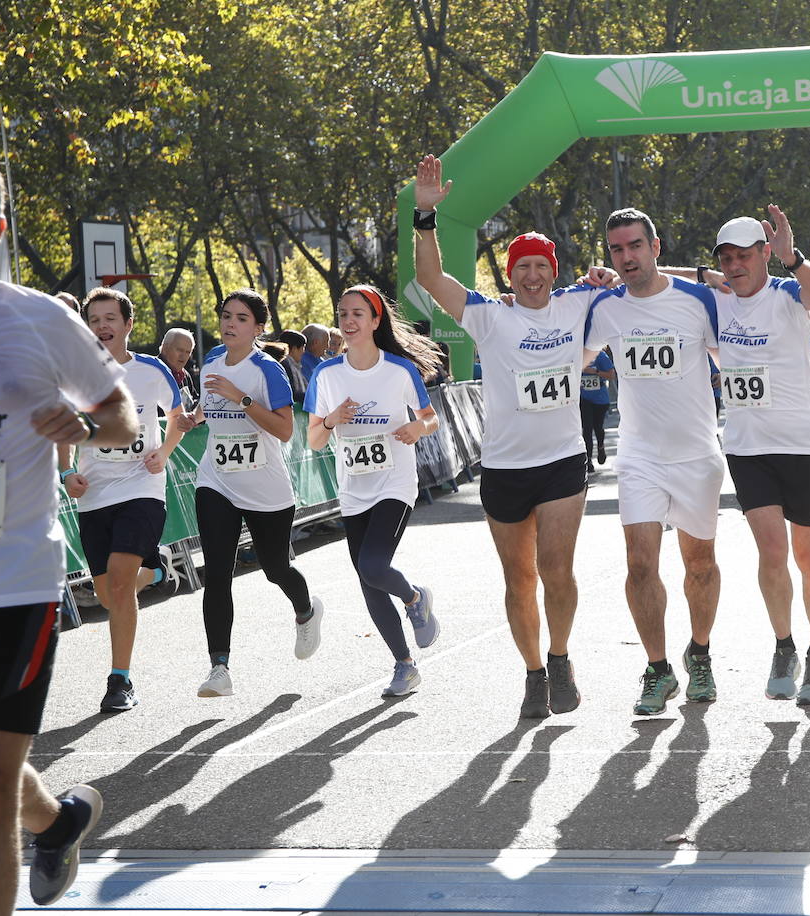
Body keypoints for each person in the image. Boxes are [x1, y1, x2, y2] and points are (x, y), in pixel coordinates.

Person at [0, 149, 137, 911]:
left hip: (10, 582)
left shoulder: (40, 319)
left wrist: (84, 423)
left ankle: (35, 823)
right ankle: (57, 819)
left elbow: (121, 417)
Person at [414, 154, 594, 718]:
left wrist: (612, 276)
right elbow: (430, 279)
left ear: (554, 271)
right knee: (519, 579)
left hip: (563, 462)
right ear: (510, 274)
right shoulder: (489, 316)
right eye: (523, 267)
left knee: (556, 571)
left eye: (542, 265)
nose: (533, 275)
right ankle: (533, 673)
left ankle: (560, 657)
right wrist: (425, 216)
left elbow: (650, 287)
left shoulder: (578, 304)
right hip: (506, 468)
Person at [583, 207, 724, 716]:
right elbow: (563, 355)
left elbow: (738, 356)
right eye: (617, 250)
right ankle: (659, 668)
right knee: (640, 563)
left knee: (699, 564)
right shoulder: (605, 308)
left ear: (656, 246)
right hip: (639, 456)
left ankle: (700, 654)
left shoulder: (696, 299)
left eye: (635, 246)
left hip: (696, 455)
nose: (626, 258)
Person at [701, 209, 810, 705]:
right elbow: (665, 278)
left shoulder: (788, 294)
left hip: (802, 445)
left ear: (763, 254)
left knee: (808, 555)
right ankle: (785, 646)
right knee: (772, 554)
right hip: (747, 447)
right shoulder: (717, 301)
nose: (736, 265)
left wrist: (793, 258)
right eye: (727, 259)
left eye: (744, 255)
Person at [177, 289, 323, 697]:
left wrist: (239, 398)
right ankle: (218, 668)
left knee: (275, 568)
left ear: (258, 328)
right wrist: (195, 417)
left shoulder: (267, 370)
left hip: (265, 488)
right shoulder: (210, 363)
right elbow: (209, 403)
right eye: (226, 316)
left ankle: (306, 610)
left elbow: (284, 429)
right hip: (217, 480)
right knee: (217, 573)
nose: (229, 324)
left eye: (241, 318)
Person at [306, 285, 442, 697]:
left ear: (375, 320)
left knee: (373, 565)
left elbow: (431, 418)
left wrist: (416, 428)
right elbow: (313, 440)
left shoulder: (399, 370)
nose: (348, 321)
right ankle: (404, 664)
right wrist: (331, 420)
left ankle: (414, 598)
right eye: (342, 314)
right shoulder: (325, 375)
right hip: (353, 490)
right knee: (368, 580)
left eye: (358, 314)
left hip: (394, 484)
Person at [58, 286, 185, 713]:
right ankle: (157, 569)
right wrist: (67, 471)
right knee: (110, 595)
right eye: (94, 320)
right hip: (94, 493)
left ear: (128, 325)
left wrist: (163, 452)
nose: (102, 326)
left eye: (110, 318)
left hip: (141, 488)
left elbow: (180, 417)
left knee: (117, 581)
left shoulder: (151, 371)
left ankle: (120, 680)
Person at [581, 347, 615, 473]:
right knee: (587, 429)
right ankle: (588, 460)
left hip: (600, 398)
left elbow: (611, 375)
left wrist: (594, 371)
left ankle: (601, 446)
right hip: (584, 398)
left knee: (598, 427)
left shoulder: (600, 356)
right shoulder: (577, 355)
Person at [160, 327, 199, 409]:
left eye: (188, 352)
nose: (183, 356)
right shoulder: (152, 371)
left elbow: (194, 400)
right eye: (180, 350)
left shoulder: (185, 375)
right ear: (165, 348)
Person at [275, 329, 309, 403]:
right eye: (302, 348)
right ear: (294, 349)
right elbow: (292, 393)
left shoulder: (293, 365)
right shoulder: (285, 365)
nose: (303, 352)